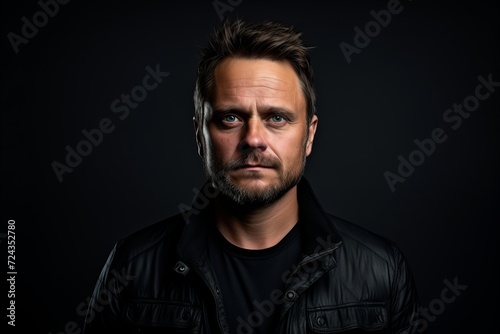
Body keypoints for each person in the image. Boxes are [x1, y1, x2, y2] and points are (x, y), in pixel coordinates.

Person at [83, 19, 421, 333]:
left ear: (310, 135)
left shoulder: (382, 271)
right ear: (200, 136)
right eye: (230, 117)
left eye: (276, 118)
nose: (253, 139)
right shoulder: (133, 265)